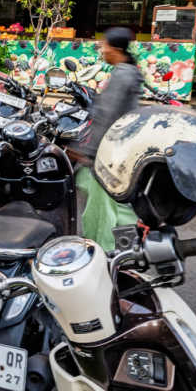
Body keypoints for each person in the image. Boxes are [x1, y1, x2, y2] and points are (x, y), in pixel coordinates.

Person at [68, 27, 144, 249]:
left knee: (99, 202)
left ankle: (101, 247)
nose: (102, 50)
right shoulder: (128, 71)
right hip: (118, 148)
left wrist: (87, 152)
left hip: (109, 151)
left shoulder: (122, 74)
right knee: (112, 198)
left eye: (104, 45)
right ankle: (130, 240)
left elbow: (106, 115)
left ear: (116, 48)